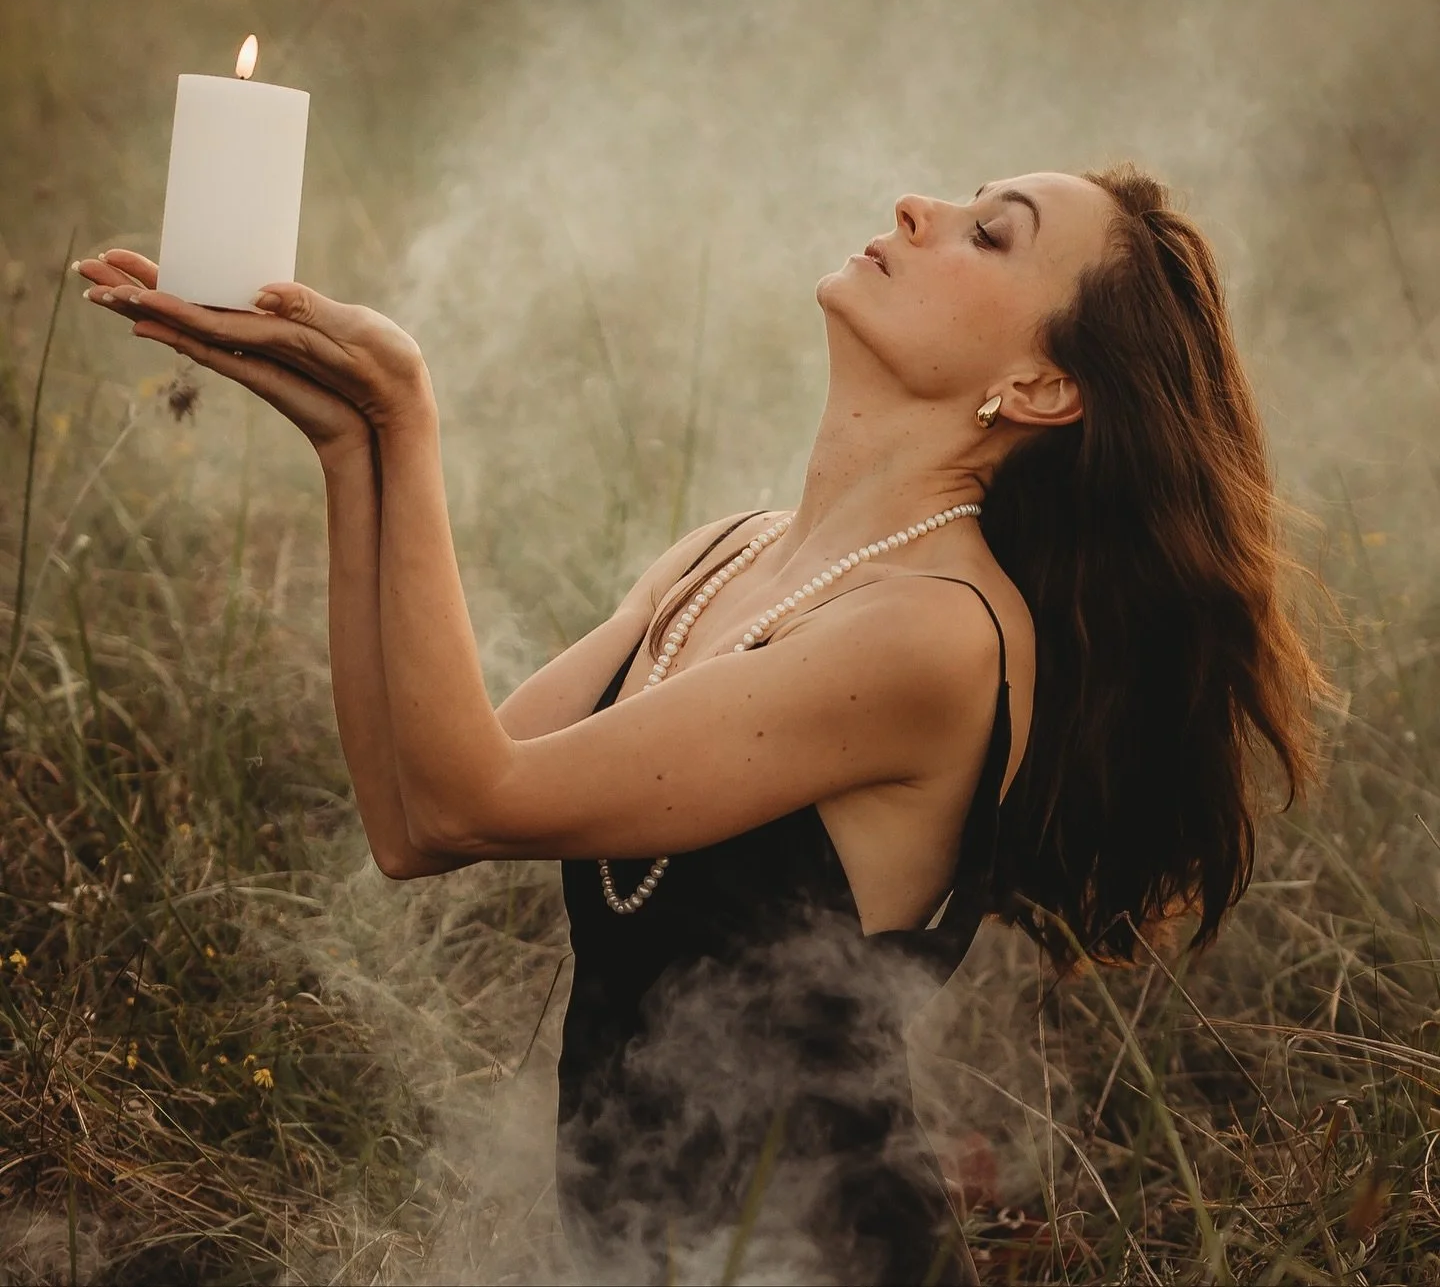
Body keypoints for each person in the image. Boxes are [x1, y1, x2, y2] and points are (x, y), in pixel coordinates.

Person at [77, 164, 1326, 1285]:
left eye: (991, 233)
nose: (916, 205)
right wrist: (350, 445)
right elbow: (416, 821)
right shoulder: (726, 554)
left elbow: (469, 796)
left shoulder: (939, 634)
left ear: (1040, 385)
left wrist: (407, 411)